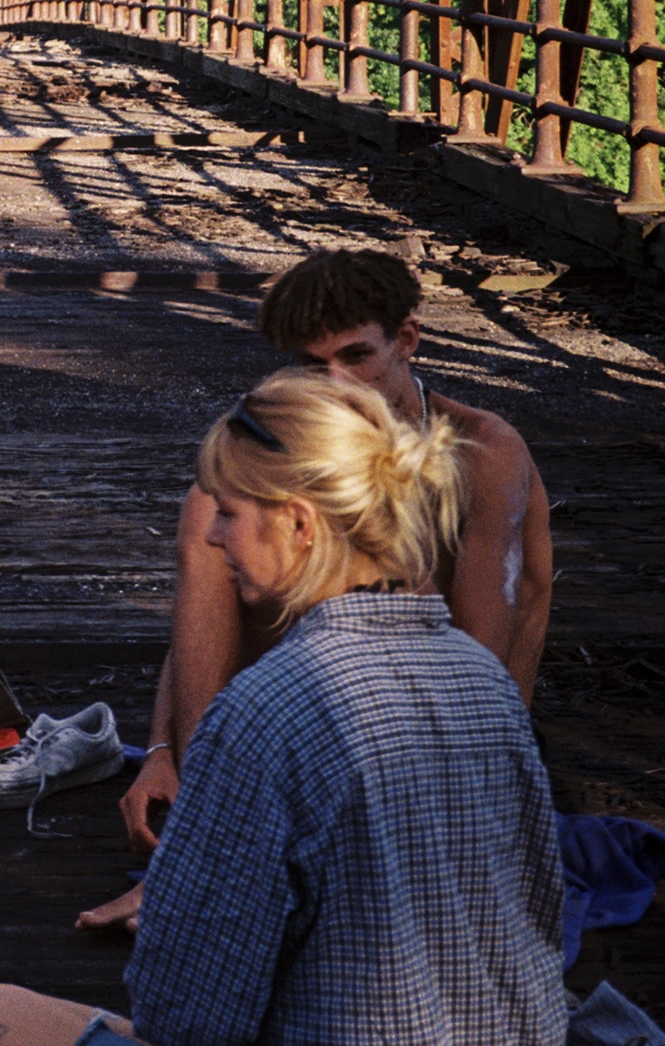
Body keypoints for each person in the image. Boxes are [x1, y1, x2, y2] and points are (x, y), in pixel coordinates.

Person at [0, 370, 568, 1046]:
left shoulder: (264, 709)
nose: (211, 537)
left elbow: (190, 1021)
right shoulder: (483, 679)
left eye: (228, 513)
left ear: (298, 523)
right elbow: (543, 916)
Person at [80, 244, 552, 932]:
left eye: (356, 356)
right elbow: (208, 606)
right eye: (311, 365)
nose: (337, 383)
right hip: (301, 704)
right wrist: (160, 751)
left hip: (444, 739)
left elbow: (478, 672)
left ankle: (213, 845)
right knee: (211, 510)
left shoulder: (481, 449)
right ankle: (206, 800)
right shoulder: (282, 440)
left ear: (406, 340)